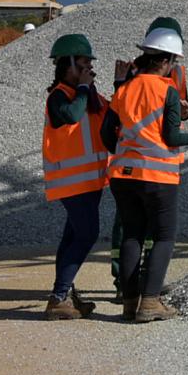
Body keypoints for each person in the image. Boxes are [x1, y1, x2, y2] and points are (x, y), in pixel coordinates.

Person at [101, 16, 188, 322]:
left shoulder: (123, 89)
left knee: (131, 236)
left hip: (122, 175)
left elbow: (106, 134)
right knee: (164, 237)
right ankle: (150, 302)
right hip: (157, 177)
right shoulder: (165, 90)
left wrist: (127, 150)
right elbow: (171, 136)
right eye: (172, 61)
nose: (173, 67)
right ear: (165, 60)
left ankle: (129, 302)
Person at [105, 16, 188, 293]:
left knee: (136, 231)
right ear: (169, 56)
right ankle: (134, 287)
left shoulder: (172, 75)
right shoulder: (132, 75)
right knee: (155, 231)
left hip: (131, 166)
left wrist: (184, 111)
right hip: (157, 166)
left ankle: (139, 288)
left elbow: (112, 125)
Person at [41, 33, 108, 320]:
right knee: (87, 234)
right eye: (83, 63)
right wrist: (83, 88)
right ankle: (58, 297)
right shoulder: (59, 96)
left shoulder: (87, 95)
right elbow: (69, 117)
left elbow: (111, 112)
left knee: (72, 237)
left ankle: (64, 294)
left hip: (90, 181)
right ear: (67, 65)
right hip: (71, 182)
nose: (89, 69)